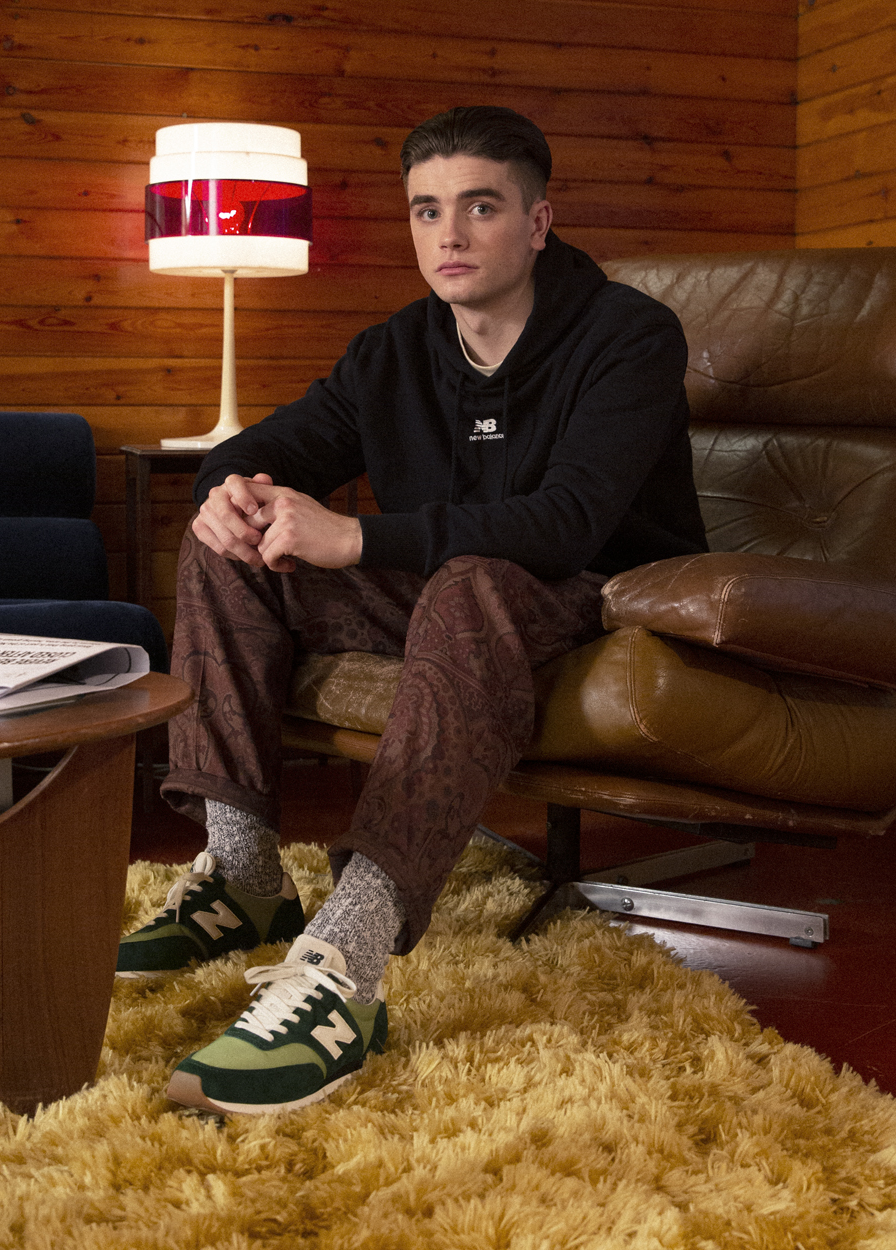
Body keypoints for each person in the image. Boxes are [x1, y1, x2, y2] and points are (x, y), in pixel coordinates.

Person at [118, 105, 707, 1116]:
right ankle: (243, 875)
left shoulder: (628, 335)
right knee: (228, 549)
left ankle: (343, 967)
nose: (450, 235)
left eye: (481, 207)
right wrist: (228, 491)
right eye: (427, 211)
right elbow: (268, 446)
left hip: (599, 598)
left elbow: (568, 522)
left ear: (537, 221)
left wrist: (353, 539)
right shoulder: (394, 349)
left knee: (471, 582)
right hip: (448, 594)